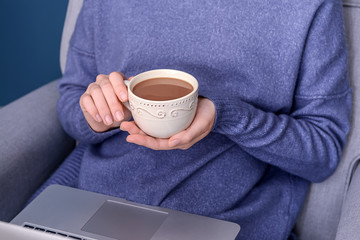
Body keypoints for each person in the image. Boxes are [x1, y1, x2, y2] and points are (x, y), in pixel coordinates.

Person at [37, 0, 352, 239]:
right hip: (90, 202)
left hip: (226, 219)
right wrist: (98, 115)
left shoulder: (309, 7)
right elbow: (71, 101)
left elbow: (322, 152)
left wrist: (227, 116)